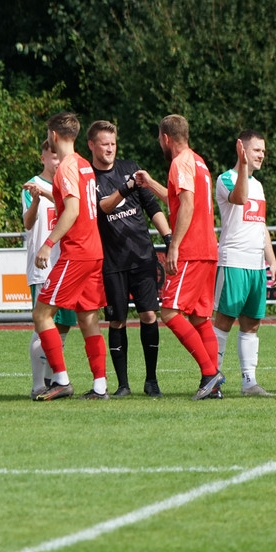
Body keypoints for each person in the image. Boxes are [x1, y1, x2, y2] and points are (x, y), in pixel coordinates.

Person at [134, 114, 223, 400]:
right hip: (208, 249)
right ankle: (213, 385)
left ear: (165, 138)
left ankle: (210, 374)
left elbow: (186, 205)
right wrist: (150, 183)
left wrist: (174, 245)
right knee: (199, 318)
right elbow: (178, 199)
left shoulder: (180, 162)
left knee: (170, 312)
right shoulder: (198, 162)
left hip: (191, 249)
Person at [88, 119, 171, 398]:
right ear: (91, 145)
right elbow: (103, 207)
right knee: (117, 321)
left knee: (149, 314)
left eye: (113, 143)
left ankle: (151, 380)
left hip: (143, 256)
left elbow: (152, 207)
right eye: (104, 144)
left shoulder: (130, 167)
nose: (110, 148)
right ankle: (123, 384)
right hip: (112, 262)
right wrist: (125, 188)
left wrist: (168, 238)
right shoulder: (88, 177)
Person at [31, 112, 109, 401]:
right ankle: (100, 386)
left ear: (53, 135)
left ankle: (61, 380)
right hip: (94, 251)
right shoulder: (84, 164)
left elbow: (73, 210)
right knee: (88, 318)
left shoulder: (65, 168)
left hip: (77, 252)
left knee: (41, 314)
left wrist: (48, 244)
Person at [212, 129, 276, 397]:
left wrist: (271, 261)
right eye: (256, 150)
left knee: (252, 324)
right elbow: (240, 198)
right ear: (241, 149)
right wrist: (242, 166)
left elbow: (260, 225)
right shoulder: (226, 179)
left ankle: (249, 382)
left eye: (263, 150)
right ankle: (211, 380)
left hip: (256, 265)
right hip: (234, 261)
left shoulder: (259, 186)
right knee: (223, 322)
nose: (261, 155)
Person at [22, 138, 77, 399]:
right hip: (43, 267)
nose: (57, 161)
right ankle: (37, 385)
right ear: (43, 158)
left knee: (63, 326)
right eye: (52, 156)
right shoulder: (33, 185)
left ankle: (55, 380)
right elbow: (27, 222)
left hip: (67, 264)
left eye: (59, 156)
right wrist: (36, 199)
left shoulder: (67, 183)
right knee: (42, 323)